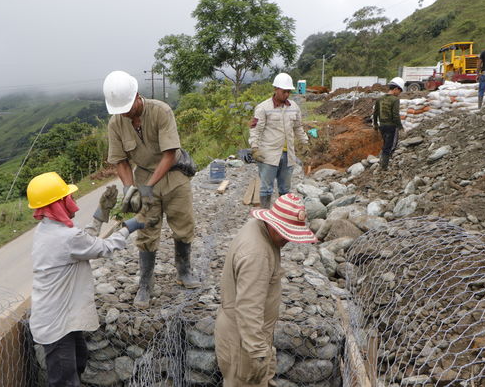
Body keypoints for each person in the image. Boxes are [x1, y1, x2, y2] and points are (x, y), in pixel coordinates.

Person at [27, 172, 144, 387]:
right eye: (68, 197)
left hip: (63, 317)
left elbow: (83, 241)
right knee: (64, 381)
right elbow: (102, 247)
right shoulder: (64, 237)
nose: (73, 201)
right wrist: (129, 227)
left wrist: (101, 213)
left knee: (79, 361)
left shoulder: (50, 230)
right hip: (57, 324)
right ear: (58, 203)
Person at [103, 70, 200, 310]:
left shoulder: (161, 111)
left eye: (128, 107)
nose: (125, 113)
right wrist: (130, 190)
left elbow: (169, 154)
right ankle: (146, 283)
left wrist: (148, 186)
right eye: (120, 110)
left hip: (174, 173)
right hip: (144, 174)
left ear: (137, 96)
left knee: (183, 223)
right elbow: (120, 161)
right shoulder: (116, 123)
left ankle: (184, 271)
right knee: (146, 230)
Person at [214, 193, 317, 386]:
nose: (288, 239)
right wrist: (258, 352)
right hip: (244, 342)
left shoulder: (257, 228)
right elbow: (248, 307)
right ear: (273, 223)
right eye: (285, 232)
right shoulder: (257, 255)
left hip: (246, 336)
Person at [249, 73, 309, 209]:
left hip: (288, 156)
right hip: (269, 155)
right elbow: (255, 129)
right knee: (266, 188)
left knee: (285, 189)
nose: (287, 94)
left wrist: (305, 142)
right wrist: (254, 148)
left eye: (289, 91)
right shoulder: (263, 108)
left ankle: (283, 215)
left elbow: (298, 127)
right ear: (276, 89)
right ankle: (264, 216)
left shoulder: (294, 107)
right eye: (284, 91)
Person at [372, 77, 405, 170]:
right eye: (400, 91)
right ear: (396, 89)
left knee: (386, 144)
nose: (399, 94)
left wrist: (375, 125)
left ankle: (382, 162)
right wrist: (400, 127)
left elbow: (375, 113)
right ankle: (384, 166)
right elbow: (395, 115)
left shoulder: (380, 99)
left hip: (382, 126)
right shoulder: (395, 100)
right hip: (391, 127)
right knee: (390, 146)